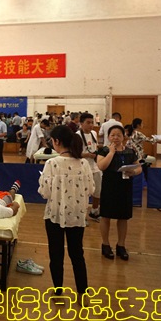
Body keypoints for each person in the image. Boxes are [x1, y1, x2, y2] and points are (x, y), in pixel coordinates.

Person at [39, 126, 94, 298]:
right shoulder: (84, 163)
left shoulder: (52, 163)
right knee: (77, 254)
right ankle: (83, 292)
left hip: (55, 214)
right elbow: (91, 189)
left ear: (57, 141)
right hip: (77, 214)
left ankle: (58, 291)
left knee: (56, 254)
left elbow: (44, 192)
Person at [96, 125, 141, 260]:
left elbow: (139, 167)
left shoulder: (130, 151)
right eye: (112, 135)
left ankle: (121, 245)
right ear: (108, 137)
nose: (115, 137)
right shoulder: (104, 150)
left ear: (123, 137)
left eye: (118, 135)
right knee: (106, 216)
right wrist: (111, 153)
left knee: (123, 217)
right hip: (109, 186)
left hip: (125, 186)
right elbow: (101, 166)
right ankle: (105, 244)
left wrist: (133, 171)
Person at [77, 113, 102, 222]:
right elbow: (75, 153)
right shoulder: (77, 135)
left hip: (95, 166)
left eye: (92, 122)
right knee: (83, 192)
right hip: (82, 167)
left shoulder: (94, 133)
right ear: (81, 123)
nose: (91, 125)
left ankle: (94, 211)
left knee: (98, 190)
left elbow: (94, 147)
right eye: (88, 122)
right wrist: (87, 155)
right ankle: (82, 215)